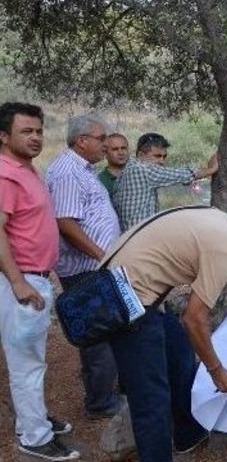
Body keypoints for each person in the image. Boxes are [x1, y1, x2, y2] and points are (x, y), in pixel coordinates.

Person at [105, 204, 227, 462]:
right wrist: (217, 372)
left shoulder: (221, 220)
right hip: (124, 302)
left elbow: (212, 256)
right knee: (151, 397)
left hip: (133, 288)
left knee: (180, 353)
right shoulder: (225, 248)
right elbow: (193, 318)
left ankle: (189, 433)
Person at [0, 102, 80, 461]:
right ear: (4, 136)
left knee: (32, 360)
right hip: (20, 282)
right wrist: (18, 282)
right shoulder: (4, 174)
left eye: (38, 130)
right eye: (26, 131)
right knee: (26, 364)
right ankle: (34, 437)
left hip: (36, 278)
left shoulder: (27, 170)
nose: (35, 137)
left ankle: (32, 420)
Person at [46, 113, 122, 420]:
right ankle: (101, 402)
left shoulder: (83, 169)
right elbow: (65, 222)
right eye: (101, 138)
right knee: (97, 336)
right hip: (85, 269)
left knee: (106, 330)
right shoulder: (67, 171)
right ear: (82, 140)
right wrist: (102, 255)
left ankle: (105, 392)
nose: (106, 144)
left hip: (95, 265)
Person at [113, 132, 218, 230]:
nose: (162, 161)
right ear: (141, 155)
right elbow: (181, 174)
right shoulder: (142, 169)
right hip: (137, 235)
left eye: (164, 156)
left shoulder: (130, 167)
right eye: (157, 156)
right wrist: (212, 170)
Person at [97, 133, 129, 197]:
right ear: (105, 153)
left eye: (123, 148)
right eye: (115, 149)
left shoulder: (138, 173)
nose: (121, 153)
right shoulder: (99, 181)